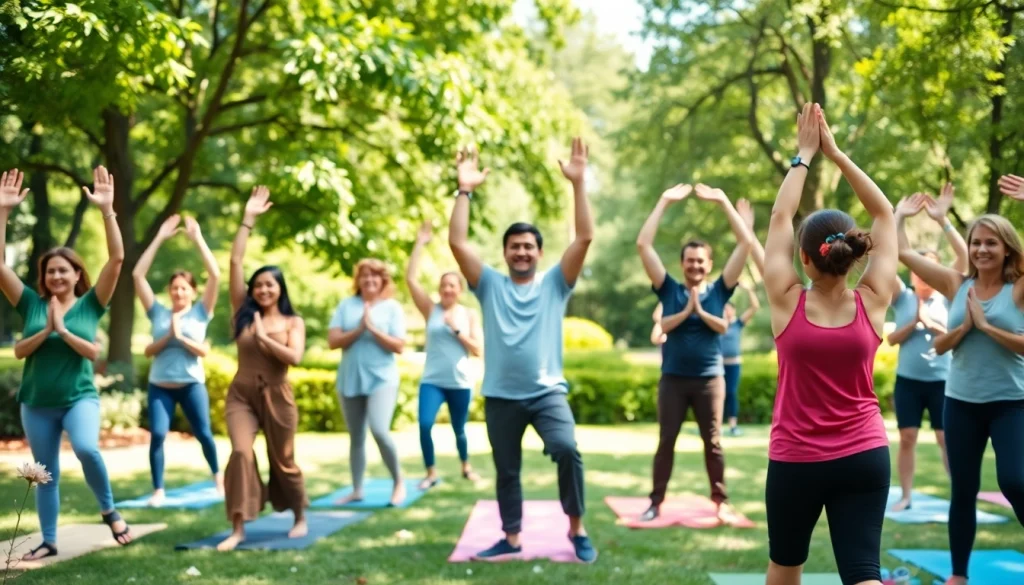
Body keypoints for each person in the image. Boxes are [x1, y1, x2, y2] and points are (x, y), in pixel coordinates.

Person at [758, 103, 897, 585]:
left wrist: (805, 155)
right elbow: (883, 212)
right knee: (863, 574)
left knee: (785, 565)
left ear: (804, 259)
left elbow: (780, 215)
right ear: (855, 254)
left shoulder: (785, 301)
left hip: (796, 458)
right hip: (865, 455)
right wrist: (837, 154)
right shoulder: (874, 300)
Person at [448, 139, 597, 563]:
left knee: (567, 449)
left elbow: (585, 236)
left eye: (529, 245)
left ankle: (577, 529)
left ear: (539, 252)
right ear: (505, 253)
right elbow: (457, 243)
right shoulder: (490, 284)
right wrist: (464, 190)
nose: (521, 251)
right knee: (507, 471)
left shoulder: (555, 283)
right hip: (500, 395)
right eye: (514, 246)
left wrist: (579, 183)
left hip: (547, 392)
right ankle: (511, 538)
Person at [895, 173, 1024, 585]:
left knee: (1016, 480)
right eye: (976, 242)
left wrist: (985, 327)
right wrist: (897, 215)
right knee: (962, 491)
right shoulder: (956, 283)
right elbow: (902, 253)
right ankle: (958, 575)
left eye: (991, 242)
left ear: (1007, 249)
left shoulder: (1018, 288)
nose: (982, 249)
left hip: (1011, 403)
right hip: (962, 403)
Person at [0, 167, 133, 560]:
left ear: (78, 274)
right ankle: (49, 540)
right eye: (50, 270)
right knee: (44, 475)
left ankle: (108, 510)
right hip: (36, 401)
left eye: (64, 269)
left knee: (88, 449)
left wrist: (107, 210)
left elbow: (119, 257)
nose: (56, 275)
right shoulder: (30, 304)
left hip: (79, 398)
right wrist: (3, 212)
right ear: (43, 277)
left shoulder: (92, 305)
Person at [635, 182, 751, 523]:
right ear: (682, 263)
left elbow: (746, 242)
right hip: (672, 380)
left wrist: (724, 200)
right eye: (690, 261)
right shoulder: (668, 289)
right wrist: (663, 200)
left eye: (701, 261)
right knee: (666, 441)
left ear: (709, 263)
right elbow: (643, 244)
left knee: (713, 442)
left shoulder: (720, 291)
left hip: (709, 380)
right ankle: (655, 502)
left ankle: (721, 501)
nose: (695, 266)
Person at [218, 186, 308, 551]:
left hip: (277, 396)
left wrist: (264, 338)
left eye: (269, 284)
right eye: (257, 285)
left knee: (283, 460)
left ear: (279, 288)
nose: (262, 289)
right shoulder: (243, 311)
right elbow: (235, 263)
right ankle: (239, 527)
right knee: (241, 452)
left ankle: (300, 515)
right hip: (241, 394)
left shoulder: (292, 321)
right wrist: (247, 221)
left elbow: (294, 358)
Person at [887, 186, 968, 512]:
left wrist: (943, 220)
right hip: (908, 382)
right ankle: (906, 496)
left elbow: (962, 258)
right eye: (917, 268)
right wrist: (898, 217)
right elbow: (890, 254)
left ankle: (958, 496)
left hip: (942, 382)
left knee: (946, 439)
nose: (922, 274)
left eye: (928, 267)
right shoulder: (902, 297)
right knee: (907, 438)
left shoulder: (949, 295)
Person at [132, 214, 222, 506]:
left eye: (184, 288)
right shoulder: (157, 312)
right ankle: (158, 490)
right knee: (157, 435)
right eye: (174, 288)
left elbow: (216, 275)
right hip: (161, 385)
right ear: (169, 292)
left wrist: (197, 240)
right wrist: (159, 237)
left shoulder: (201, 312)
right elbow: (137, 276)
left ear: (193, 292)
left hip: (191, 384)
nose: (178, 292)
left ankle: (218, 476)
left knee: (204, 434)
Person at [405, 221, 483, 490]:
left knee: (459, 429)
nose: (447, 289)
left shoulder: (469, 314)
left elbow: (477, 349)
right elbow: (411, 280)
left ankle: (466, 466)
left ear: (459, 290)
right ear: (439, 289)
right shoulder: (430, 310)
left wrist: (457, 330)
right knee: (425, 424)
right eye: (444, 285)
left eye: (452, 286)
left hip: (460, 381)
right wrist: (420, 244)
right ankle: (431, 472)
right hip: (433, 380)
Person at [328, 258, 407, 506]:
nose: (369, 280)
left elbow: (399, 345)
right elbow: (333, 341)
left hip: (382, 379)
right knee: (356, 437)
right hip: (350, 378)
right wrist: (359, 328)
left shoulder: (392, 308)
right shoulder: (346, 305)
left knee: (380, 431)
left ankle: (398, 482)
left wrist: (373, 330)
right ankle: (357, 489)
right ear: (358, 280)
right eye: (365, 276)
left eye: (375, 276)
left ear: (383, 280)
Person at [720, 284, 760, 436]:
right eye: (724, 308)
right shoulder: (719, 325)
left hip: (733, 365)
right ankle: (715, 425)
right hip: (718, 365)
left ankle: (732, 426)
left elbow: (754, 307)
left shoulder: (738, 324)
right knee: (718, 394)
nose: (726, 311)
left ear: (733, 310)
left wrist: (749, 290)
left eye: (728, 308)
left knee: (731, 393)